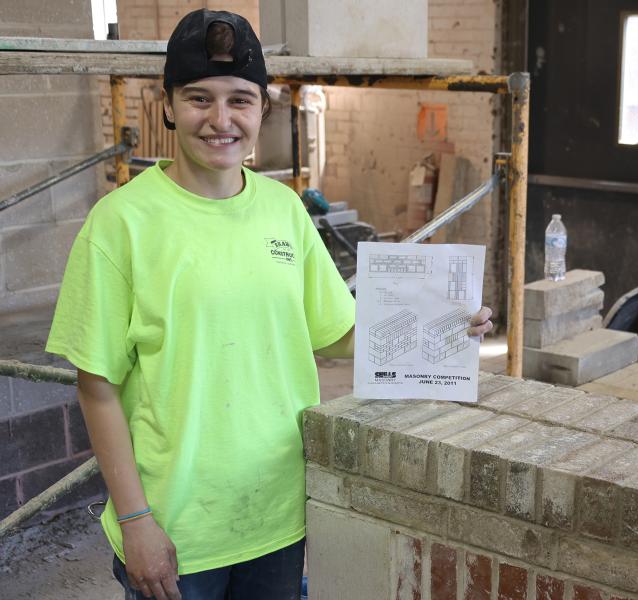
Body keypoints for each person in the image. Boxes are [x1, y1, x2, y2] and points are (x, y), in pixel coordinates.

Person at [46, 8, 493, 600]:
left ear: (263, 108)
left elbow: (335, 331)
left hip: (278, 517)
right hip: (179, 526)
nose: (220, 119)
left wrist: (442, 325)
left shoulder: (283, 209)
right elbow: (96, 382)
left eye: (240, 100)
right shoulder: (121, 224)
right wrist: (135, 521)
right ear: (168, 105)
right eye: (199, 98)